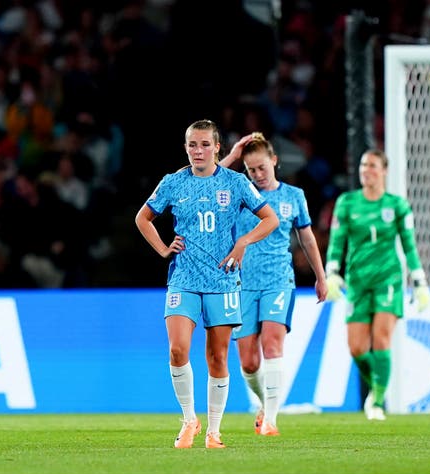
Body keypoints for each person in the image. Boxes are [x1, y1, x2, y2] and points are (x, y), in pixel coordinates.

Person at [135, 119, 279, 449]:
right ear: (185, 148)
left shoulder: (236, 183)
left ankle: (214, 432)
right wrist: (162, 249)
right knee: (177, 349)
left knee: (217, 357)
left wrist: (243, 242)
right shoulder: (172, 183)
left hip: (223, 279)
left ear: (217, 148)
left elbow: (270, 218)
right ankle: (189, 420)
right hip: (183, 278)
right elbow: (142, 217)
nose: (197, 151)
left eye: (204, 145)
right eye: (191, 145)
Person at [219, 132, 328, 436]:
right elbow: (212, 181)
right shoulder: (240, 194)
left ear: (275, 161)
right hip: (240, 284)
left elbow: (306, 237)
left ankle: (271, 420)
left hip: (278, 280)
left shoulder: (293, 196)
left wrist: (321, 276)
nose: (257, 175)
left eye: (261, 168)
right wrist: (236, 152)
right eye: (251, 170)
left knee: (272, 344)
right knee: (250, 362)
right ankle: (263, 403)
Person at [324, 148, 430, 421]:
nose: (366, 170)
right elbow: (337, 242)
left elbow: (409, 245)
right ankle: (378, 384)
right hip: (358, 280)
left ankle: (378, 401)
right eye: (363, 165)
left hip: (388, 279)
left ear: (384, 171)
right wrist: (332, 272)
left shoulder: (397, 205)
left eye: (372, 165)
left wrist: (419, 282)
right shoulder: (347, 203)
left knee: (382, 340)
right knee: (357, 348)